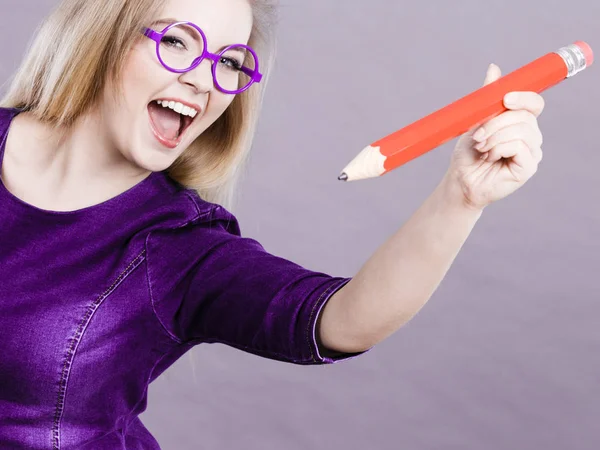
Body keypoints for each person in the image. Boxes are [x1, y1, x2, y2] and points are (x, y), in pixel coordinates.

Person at [0, 0, 545, 448]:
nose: (202, 79)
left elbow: (345, 319)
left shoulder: (179, 249)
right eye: (176, 41)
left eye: (230, 62)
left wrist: (463, 196)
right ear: (105, 34)